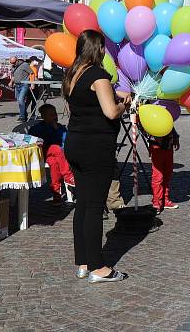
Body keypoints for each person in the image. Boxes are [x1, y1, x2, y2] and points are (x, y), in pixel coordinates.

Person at [62, 30, 130, 283]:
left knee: (83, 204)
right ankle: (98, 267)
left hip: (76, 143)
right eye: (103, 47)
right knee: (94, 206)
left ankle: (82, 261)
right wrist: (123, 104)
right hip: (96, 146)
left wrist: (113, 93)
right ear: (98, 48)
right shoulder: (98, 75)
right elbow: (111, 112)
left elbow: (88, 100)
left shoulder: (73, 73)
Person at [29, 104, 75, 205]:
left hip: (54, 156)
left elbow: (65, 140)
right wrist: (51, 129)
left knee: (54, 164)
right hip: (42, 153)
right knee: (56, 148)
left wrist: (57, 130)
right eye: (51, 115)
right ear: (44, 116)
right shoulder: (38, 128)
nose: (54, 117)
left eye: (55, 114)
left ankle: (56, 193)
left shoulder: (60, 128)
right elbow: (34, 139)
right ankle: (68, 176)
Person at [147, 127, 180, 213]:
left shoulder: (168, 114)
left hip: (168, 144)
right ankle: (156, 202)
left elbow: (170, 125)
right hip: (156, 146)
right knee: (158, 176)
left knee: (167, 173)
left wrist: (175, 137)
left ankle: (164, 200)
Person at [8, 56, 33, 122]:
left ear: (17, 60)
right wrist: (11, 82)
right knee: (19, 102)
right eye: (11, 63)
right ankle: (24, 115)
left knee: (21, 100)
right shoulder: (13, 67)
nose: (12, 64)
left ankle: (22, 117)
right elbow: (14, 76)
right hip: (17, 85)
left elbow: (32, 73)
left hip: (24, 85)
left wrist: (32, 83)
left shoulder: (24, 65)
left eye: (13, 62)